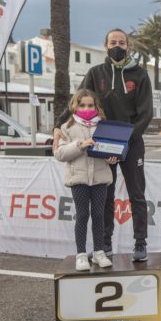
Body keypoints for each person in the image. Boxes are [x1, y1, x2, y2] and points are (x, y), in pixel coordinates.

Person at [54, 28, 153, 262]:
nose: (117, 45)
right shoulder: (95, 72)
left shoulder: (140, 74)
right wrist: (58, 123)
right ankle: (104, 244)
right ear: (105, 45)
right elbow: (78, 99)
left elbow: (145, 114)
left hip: (131, 143)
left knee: (136, 195)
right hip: (102, 143)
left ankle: (140, 244)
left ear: (128, 46)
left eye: (121, 42)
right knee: (106, 195)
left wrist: (126, 140)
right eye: (112, 42)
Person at [54, 89, 117, 271]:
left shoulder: (104, 126)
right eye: (83, 105)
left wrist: (111, 158)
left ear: (96, 107)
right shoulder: (66, 127)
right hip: (78, 179)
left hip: (100, 179)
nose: (87, 108)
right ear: (75, 106)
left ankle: (99, 252)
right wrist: (80, 145)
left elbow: (110, 150)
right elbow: (59, 153)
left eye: (91, 105)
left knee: (99, 215)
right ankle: (81, 255)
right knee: (82, 215)